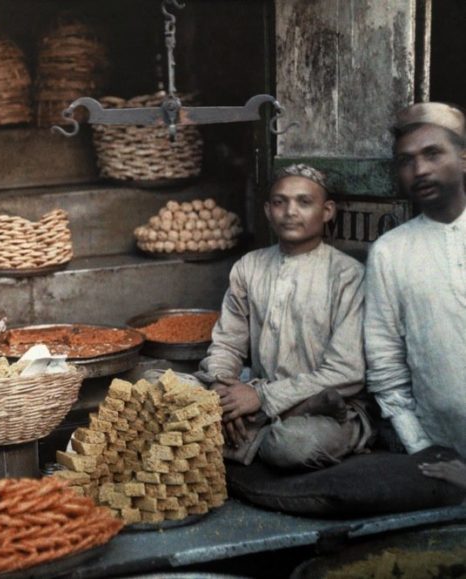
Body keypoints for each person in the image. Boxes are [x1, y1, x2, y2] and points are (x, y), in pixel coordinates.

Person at [197, 164, 374, 469]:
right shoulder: (249, 266)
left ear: (327, 210)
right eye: (280, 202)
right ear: (268, 210)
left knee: (291, 445)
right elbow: (227, 344)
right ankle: (244, 425)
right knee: (157, 387)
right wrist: (221, 394)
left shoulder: (348, 276)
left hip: (327, 408)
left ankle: (246, 434)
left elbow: (346, 372)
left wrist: (263, 399)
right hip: (251, 391)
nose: (290, 211)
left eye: (305, 202)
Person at [365, 102, 466, 489]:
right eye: (406, 161)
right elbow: (384, 359)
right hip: (439, 456)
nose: (420, 170)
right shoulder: (391, 251)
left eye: (433, 153)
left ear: (462, 157)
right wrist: (419, 444)